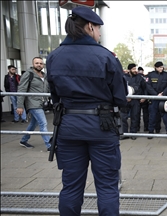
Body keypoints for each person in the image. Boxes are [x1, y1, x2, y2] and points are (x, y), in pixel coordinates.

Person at [46, 7, 128, 215]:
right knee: (107, 187)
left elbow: (55, 96)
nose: (99, 33)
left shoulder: (54, 56)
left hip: (68, 127)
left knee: (71, 187)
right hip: (102, 126)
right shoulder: (106, 56)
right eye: (98, 29)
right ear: (90, 26)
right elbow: (120, 97)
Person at [16, 57, 51, 150]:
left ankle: (24, 140)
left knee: (33, 123)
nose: (39, 65)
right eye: (37, 63)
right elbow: (21, 89)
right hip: (33, 102)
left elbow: (48, 89)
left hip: (42, 103)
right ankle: (49, 146)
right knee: (43, 123)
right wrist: (19, 106)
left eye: (41, 63)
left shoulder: (45, 76)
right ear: (33, 64)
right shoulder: (28, 74)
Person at [146, 61, 167, 139]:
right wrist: (156, 95)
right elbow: (148, 86)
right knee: (152, 116)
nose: (161, 68)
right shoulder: (150, 75)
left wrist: (163, 93)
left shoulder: (166, 75)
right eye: (159, 67)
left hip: (164, 99)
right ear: (156, 68)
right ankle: (151, 132)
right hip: (154, 99)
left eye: (162, 67)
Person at [120, 63, 146, 140]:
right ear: (129, 70)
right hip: (125, 100)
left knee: (135, 117)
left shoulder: (140, 78)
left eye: (136, 69)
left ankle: (133, 133)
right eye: (133, 69)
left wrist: (143, 97)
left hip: (136, 100)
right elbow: (120, 88)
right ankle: (124, 133)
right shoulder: (124, 77)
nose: (135, 71)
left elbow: (144, 88)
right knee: (123, 117)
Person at [137, 66, 149, 131]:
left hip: (137, 97)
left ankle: (137, 127)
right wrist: (145, 96)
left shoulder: (136, 77)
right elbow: (146, 88)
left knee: (137, 114)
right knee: (145, 114)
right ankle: (146, 127)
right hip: (144, 97)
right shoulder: (146, 78)